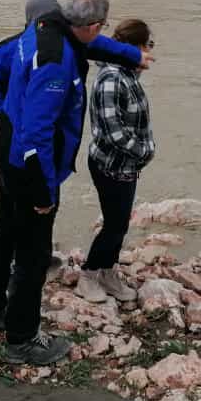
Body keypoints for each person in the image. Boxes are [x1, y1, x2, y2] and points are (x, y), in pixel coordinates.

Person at [0, 0, 148, 331]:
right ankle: (21, 339)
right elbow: (37, 134)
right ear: (94, 25)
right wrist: (43, 193)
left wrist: (131, 54)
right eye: (102, 28)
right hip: (29, 162)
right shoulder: (54, 60)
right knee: (33, 256)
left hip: (9, 149)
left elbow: (95, 46)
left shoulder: (46, 27)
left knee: (5, 233)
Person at [77, 19, 156, 304]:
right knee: (114, 224)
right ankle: (87, 276)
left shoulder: (127, 74)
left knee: (119, 224)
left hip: (125, 165)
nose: (151, 52)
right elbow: (114, 133)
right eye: (149, 45)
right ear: (135, 47)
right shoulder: (112, 78)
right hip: (111, 165)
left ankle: (108, 273)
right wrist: (145, 152)